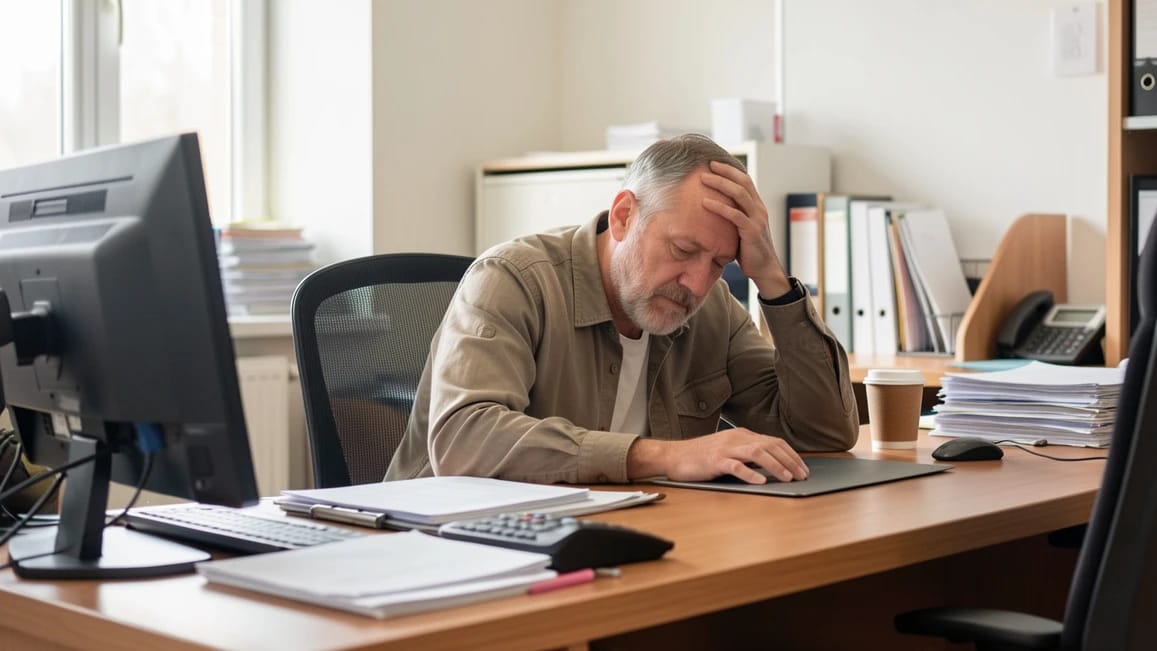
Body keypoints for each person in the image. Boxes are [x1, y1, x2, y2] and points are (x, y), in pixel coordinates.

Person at [386, 133, 858, 485]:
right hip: (454, 551)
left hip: (617, 539)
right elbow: (465, 441)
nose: (696, 282)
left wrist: (772, 279)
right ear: (623, 216)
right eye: (682, 249)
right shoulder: (513, 280)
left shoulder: (709, 307)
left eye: (718, 263)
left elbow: (823, 433)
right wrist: (667, 457)